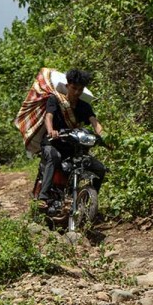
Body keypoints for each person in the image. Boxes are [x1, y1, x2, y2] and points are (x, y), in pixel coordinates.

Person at [35, 69, 106, 209]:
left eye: (80, 89)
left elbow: (95, 123)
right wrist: (51, 131)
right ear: (67, 86)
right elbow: (48, 117)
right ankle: (43, 196)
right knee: (53, 157)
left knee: (99, 169)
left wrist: (105, 138)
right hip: (53, 143)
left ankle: (87, 203)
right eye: (74, 88)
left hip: (72, 146)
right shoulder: (55, 99)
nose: (77, 92)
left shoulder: (84, 106)